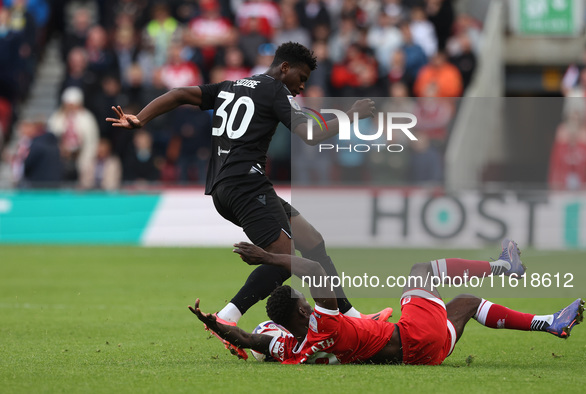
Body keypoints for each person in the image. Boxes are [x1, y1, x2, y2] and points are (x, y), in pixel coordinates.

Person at [106, 42, 383, 360]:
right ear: (284, 68)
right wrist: (350, 116)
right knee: (284, 257)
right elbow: (309, 134)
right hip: (246, 186)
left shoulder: (230, 86)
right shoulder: (277, 91)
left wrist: (141, 118)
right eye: (301, 76)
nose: (302, 85)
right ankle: (228, 317)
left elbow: (180, 93)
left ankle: (353, 318)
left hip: (227, 188)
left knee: (311, 239)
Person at [190, 239, 585, 365]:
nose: (309, 301)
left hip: (424, 354)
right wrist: (268, 257)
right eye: (303, 299)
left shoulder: (291, 348)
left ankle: (550, 321)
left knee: (465, 304)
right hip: (413, 335)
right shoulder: (322, 323)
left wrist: (211, 321)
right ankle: (503, 266)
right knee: (420, 272)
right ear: (303, 309)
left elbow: (246, 339)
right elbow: (310, 265)